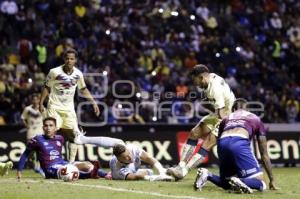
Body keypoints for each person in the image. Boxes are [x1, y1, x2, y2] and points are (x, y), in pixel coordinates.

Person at [39, 48, 123, 162]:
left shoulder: (78, 74)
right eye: (67, 58)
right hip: (54, 107)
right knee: (50, 133)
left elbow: (83, 89)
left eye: (72, 59)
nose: (69, 61)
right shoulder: (54, 72)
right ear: (64, 59)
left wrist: (93, 103)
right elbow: (47, 87)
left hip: (69, 109)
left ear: (75, 60)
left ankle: (71, 163)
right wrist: (41, 102)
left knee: (74, 136)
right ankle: (46, 162)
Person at [194, 99, 278, 193]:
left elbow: (219, 141)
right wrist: (272, 180)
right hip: (239, 141)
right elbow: (264, 154)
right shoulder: (255, 118)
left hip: (222, 143)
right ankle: (239, 180)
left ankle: (207, 174)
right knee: (261, 183)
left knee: (226, 183)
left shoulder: (226, 119)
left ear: (233, 109)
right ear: (247, 109)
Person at [167, 64, 235, 180]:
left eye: (195, 80)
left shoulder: (215, 88)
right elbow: (210, 104)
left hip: (226, 116)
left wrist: (223, 131)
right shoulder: (209, 80)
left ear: (202, 77)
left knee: (206, 143)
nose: (195, 83)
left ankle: (184, 171)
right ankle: (180, 166)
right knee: (194, 133)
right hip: (218, 112)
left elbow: (221, 113)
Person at [17, 117, 110, 180]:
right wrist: (19, 171)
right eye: (46, 125)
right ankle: (90, 175)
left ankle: (107, 175)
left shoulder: (59, 138)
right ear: (43, 127)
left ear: (55, 128)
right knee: (68, 172)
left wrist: (76, 132)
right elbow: (25, 154)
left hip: (62, 163)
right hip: (50, 169)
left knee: (87, 165)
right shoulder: (37, 139)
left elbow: (72, 138)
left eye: (51, 125)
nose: (48, 128)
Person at [21, 93, 44, 175]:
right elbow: (23, 118)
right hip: (31, 132)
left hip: (40, 132)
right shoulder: (27, 109)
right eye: (33, 99)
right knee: (30, 150)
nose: (35, 101)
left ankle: (37, 166)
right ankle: (32, 161)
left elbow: (46, 118)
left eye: (36, 99)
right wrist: (26, 126)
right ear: (31, 100)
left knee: (40, 150)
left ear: (38, 100)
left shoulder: (42, 108)